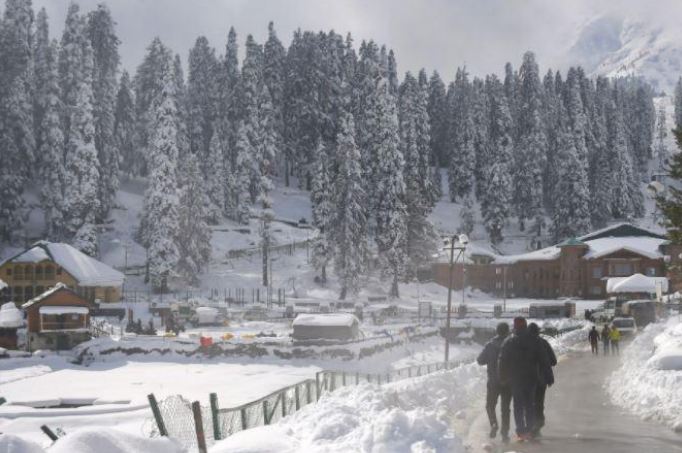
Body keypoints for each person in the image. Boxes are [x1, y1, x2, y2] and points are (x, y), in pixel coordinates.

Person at [498, 317, 550, 442]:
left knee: (518, 405)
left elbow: (502, 360)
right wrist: (547, 375)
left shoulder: (509, 341)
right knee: (530, 404)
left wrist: (503, 376)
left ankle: (521, 431)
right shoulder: (535, 340)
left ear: (515, 326)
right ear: (525, 325)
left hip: (516, 379)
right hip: (531, 378)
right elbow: (544, 359)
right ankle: (530, 429)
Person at [477, 322, 512, 443]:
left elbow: (480, 360)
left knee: (490, 405)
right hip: (508, 382)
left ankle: (493, 424)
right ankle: (505, 433)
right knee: (505, 408)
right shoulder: (511, 344)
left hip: (493, 381)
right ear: (507, 331)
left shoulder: (490, 345)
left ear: (497, 331)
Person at [528, 323, 557, 437]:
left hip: (527, 379)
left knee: (529, 403)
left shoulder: (522, 344)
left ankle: (530, 426)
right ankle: (539, 423)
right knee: (539, 402)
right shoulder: (544, 343)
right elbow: (553, 361)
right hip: (542, 379)